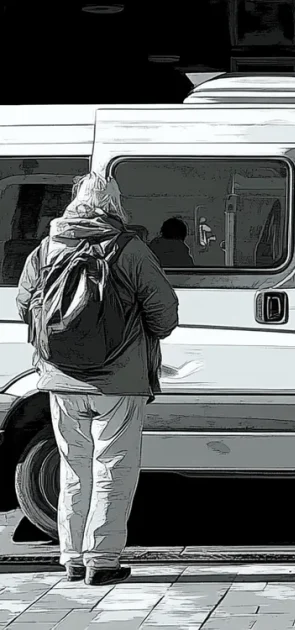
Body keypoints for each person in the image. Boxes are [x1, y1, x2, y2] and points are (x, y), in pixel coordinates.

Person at [16, 173, 178, 586]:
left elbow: (25, 305)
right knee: (113, 469)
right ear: (114, 204)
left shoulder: (48, 246)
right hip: (118, 382)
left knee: (74, 468)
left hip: (60, 380)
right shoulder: (129, 248)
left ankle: (70, 557)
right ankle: (102, 561)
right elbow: (165, 313)